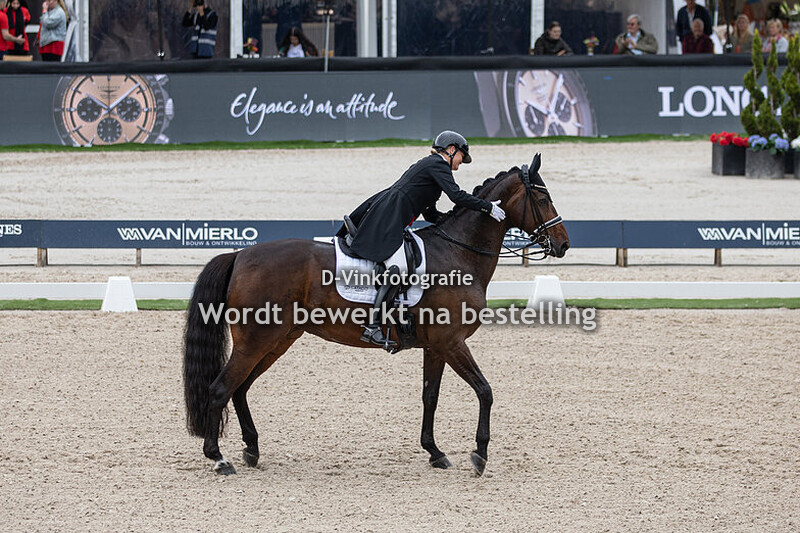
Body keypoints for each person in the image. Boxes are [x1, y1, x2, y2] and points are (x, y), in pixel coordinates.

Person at [337, 131, 506, 347]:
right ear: (451, 149)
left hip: (394, 218)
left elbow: (429, 211)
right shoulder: (437, 164)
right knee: (397, 267)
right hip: (388, 220)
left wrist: (451, 223)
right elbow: (456, 195)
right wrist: (486, 206)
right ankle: (373, 326)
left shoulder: (432, 168)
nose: (461, 162)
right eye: (462, 156)